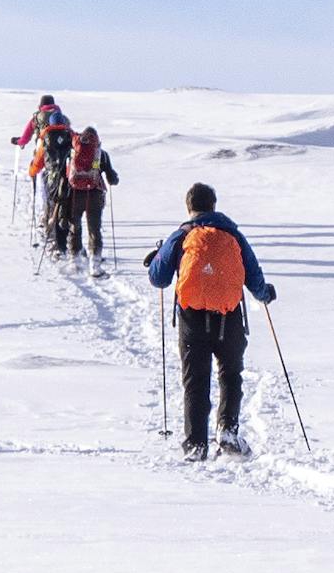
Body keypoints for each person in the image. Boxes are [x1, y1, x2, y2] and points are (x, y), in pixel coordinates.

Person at [146, 183, 275, 458]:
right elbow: (253, 275)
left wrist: (157, 256)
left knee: (196, 379)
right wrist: (266, 294)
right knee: (230, 374)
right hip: (229, 318)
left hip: (192, 318)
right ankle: (227, 430)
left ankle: (195, 444)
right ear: (214, 205)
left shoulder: (181, 235)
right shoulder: (233, 234)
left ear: (189, 207)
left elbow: (159, 277)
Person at [11, 97, 75, 252]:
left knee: (45, 193)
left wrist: (19, 142)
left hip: (45, 159)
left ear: (41, 105)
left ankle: (47, 221)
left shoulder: (37, 117)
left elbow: (25, 137)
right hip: (65, 166)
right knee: (62, 197)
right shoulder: (64, 119)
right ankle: (64, 231)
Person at [65, 126, 119, 271]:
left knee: (74, 226)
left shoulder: (73, 152)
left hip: (75, 195)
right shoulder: (101, 154)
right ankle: (94, 263)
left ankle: (74, 259)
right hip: (94, 194)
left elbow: (67, 174)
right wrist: (112, 178)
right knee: (94, 228)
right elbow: (112, 178)